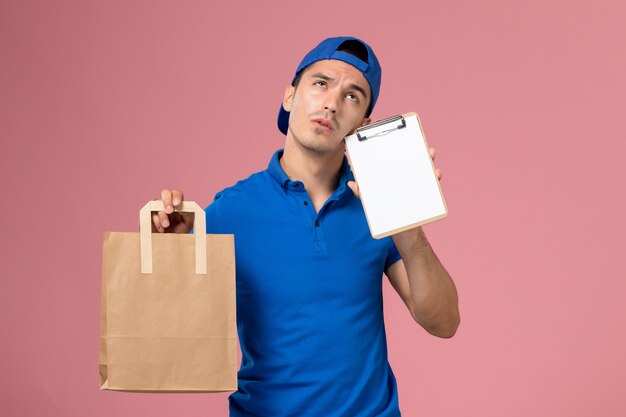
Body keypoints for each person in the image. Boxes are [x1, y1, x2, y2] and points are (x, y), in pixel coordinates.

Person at [153, 36, 460, 417]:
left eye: (352, 96)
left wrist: (409, 227)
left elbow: (444, 323)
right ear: (288, 97)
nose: (332, 103)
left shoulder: (376, 204)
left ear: (362, 124)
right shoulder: (228, 211)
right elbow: (179, 339)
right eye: (321, 83)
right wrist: (173, 256)